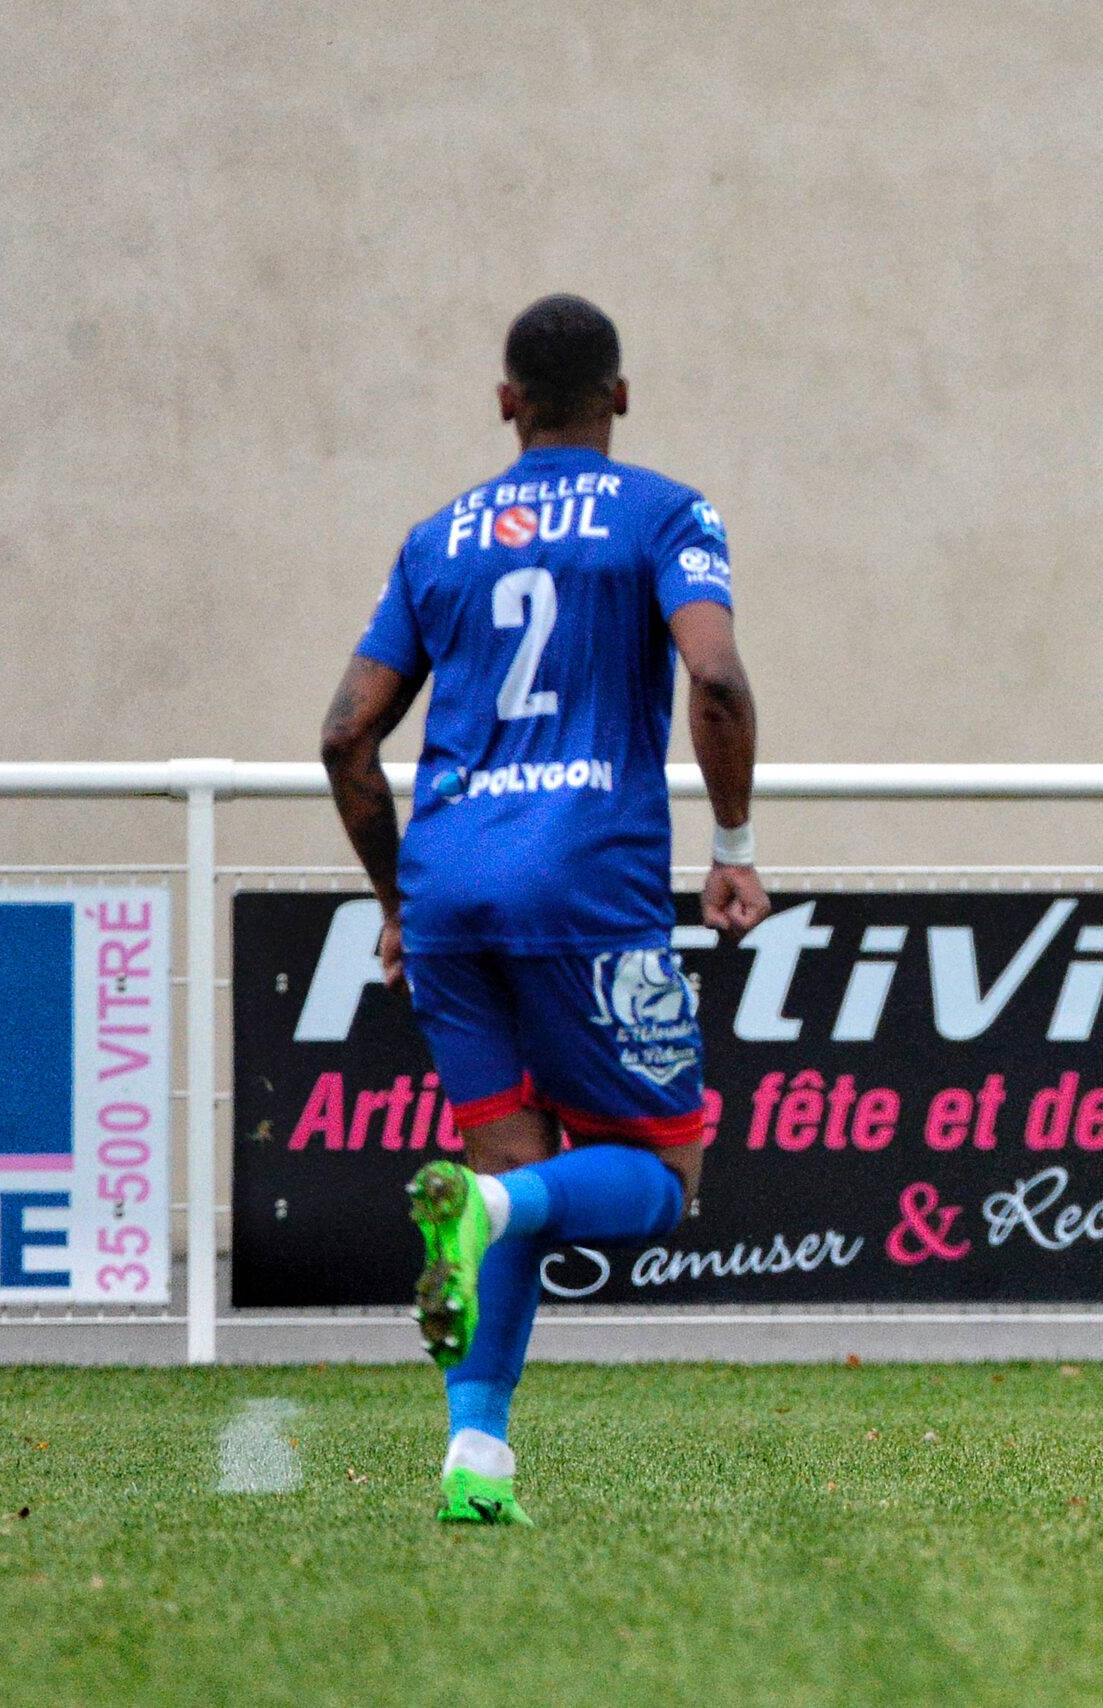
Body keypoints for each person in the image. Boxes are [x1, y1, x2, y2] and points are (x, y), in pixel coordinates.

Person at [319, 293, 769, 1523]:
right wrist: (733, 845)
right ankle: (491, 1208)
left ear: (505, 401)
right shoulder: (666, 513)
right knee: (661, 1174)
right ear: (619, 395)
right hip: (585, 883)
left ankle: (477, 1463)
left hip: (449, 887)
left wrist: (396, 899)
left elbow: (346, 736)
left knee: (507, 1161)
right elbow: (715, 676)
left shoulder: (437, 540)